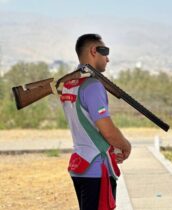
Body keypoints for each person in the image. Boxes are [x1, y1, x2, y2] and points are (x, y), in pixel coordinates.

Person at [59, 34, 131, 210]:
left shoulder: (68, 84)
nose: (108, 58)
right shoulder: (92, 85)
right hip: (97, 169)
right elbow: (106, 129)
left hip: (80, 167)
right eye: (105, 52)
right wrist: (126, 145)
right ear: (93, 51)